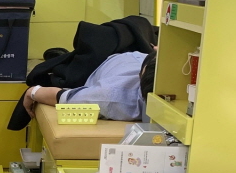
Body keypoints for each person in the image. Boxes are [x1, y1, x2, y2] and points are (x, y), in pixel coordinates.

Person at [23, 49, 157, 121]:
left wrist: (32, 92)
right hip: (109, 58)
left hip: (134, 58)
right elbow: (64, 97)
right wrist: (33, 92)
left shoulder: (110, 97)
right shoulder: (110, 96)